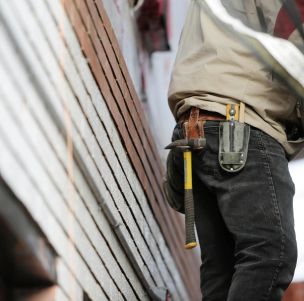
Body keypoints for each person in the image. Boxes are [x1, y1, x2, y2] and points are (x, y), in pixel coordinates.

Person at [164, 0, 304, 300]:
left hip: (201, 127)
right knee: (271, 252)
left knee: (223, 272)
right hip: (239, 128)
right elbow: (295, 29)